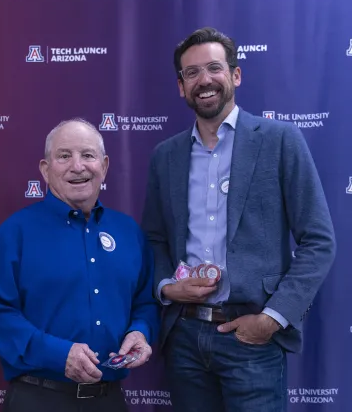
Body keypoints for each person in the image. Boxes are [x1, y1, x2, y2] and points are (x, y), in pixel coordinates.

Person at [141, 27, 336, 412]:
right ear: (181, 87)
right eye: (191, 73)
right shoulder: (165, 156)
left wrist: (273, 318)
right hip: (185, 340)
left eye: (214, 68)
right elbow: (154, 239)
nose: (204, 80)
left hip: (252, 341)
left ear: (235, 75)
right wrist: (166, 286)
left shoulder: (280, 140)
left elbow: (319, 240)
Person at [0, 118, 160, 412]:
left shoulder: (128, 232)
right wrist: (58, 355)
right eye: (64, 156)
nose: (78, 166)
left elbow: (145, 302)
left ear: (105, 165)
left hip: (110, 400)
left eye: (88, 155)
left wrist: (140, 332)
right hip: (38, 399)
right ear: (45, 170)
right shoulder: (15, 233)